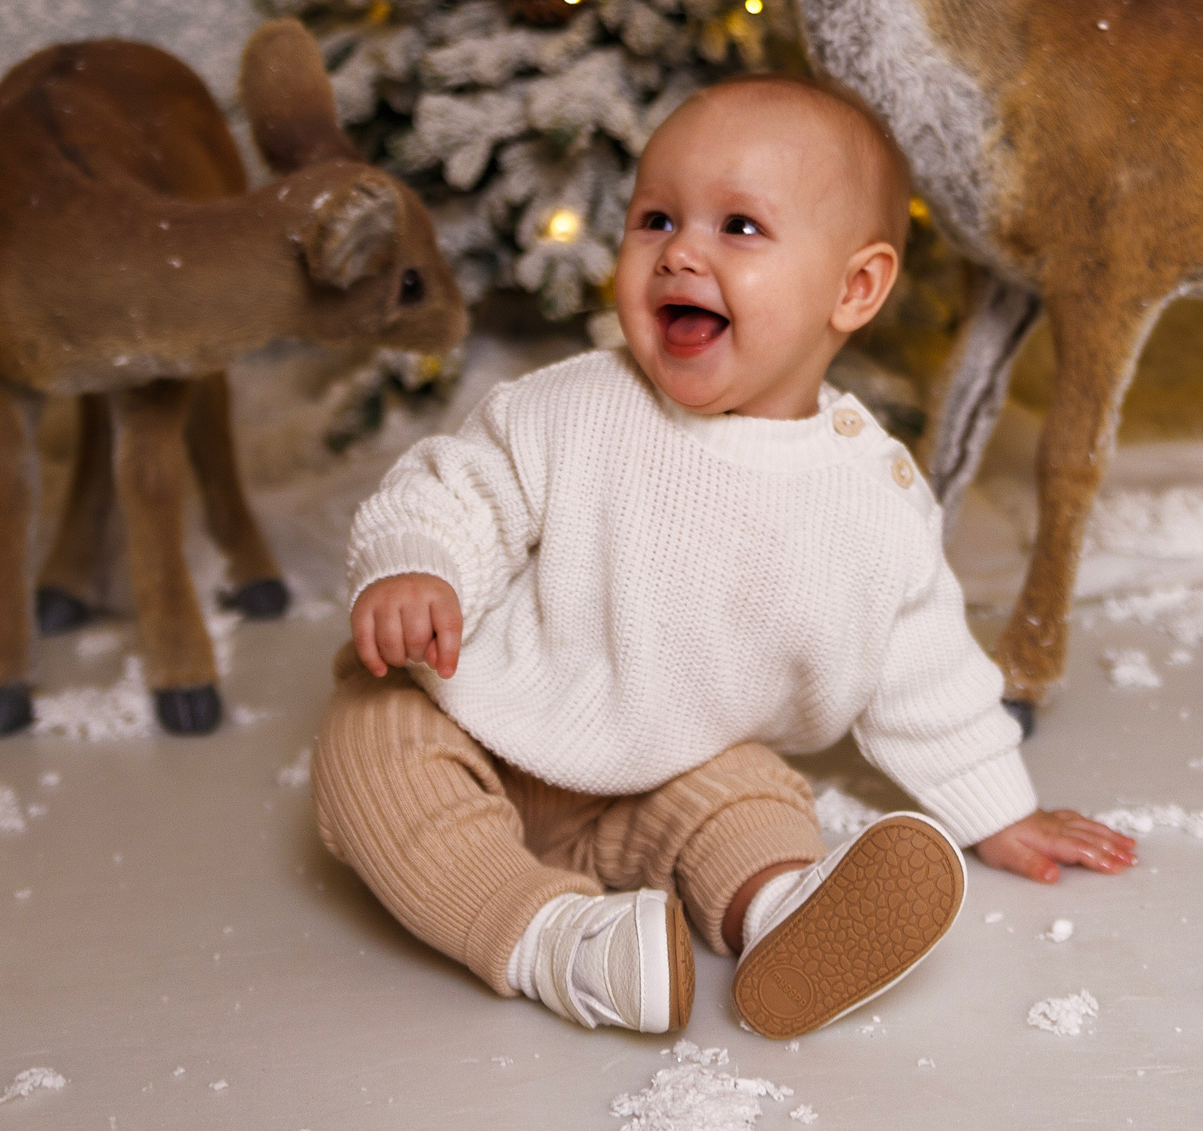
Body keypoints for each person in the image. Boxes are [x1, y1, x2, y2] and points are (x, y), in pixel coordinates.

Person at [308, 76, 1136, 1040]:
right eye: (654, 220)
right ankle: (553, 939)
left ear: (854, 289)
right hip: (477, 719)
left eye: (738, 227)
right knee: (374, 750)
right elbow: (460, 487)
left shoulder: (871, 499)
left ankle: (780, 912)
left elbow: (925, 666)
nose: (680, 253)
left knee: (744, 790)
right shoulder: (576, 406)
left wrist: (999, 809)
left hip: (661, 767)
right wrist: (420, 568)